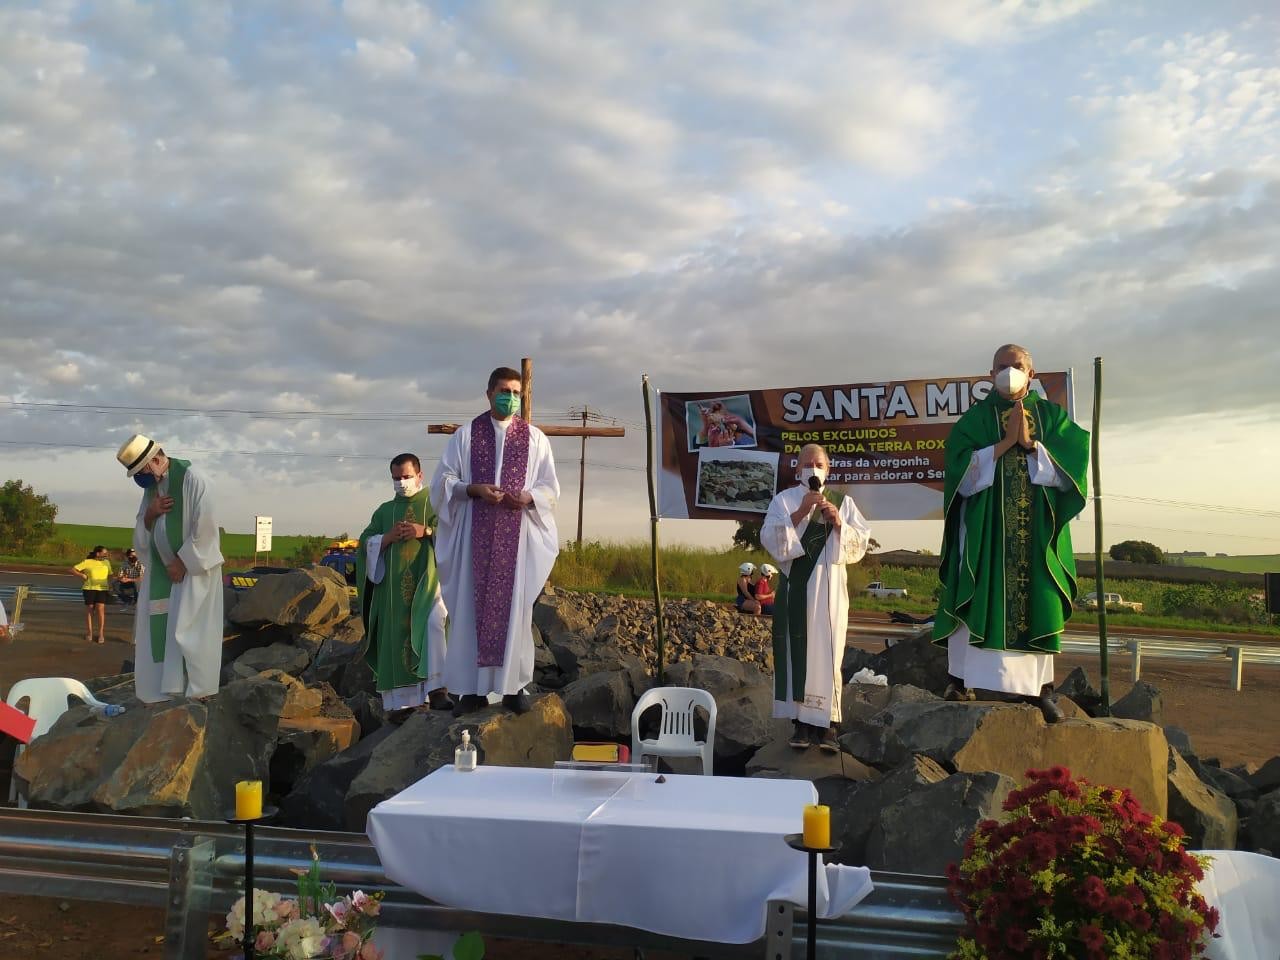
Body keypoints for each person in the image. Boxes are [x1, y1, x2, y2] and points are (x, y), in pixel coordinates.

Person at [931, 344, 1089, 724]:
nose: (1009, 372)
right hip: (986, 532)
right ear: (990, 375)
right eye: (1002, 366)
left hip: (1035, 533)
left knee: (1037, 597)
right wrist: (1002, 446)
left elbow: (1072, 472)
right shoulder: (974, 421)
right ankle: (961, 681)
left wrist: (1032, 445)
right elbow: (959, 478)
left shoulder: (1051, 417)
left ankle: (1038, 690)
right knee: (975, 586)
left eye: (1017, 365)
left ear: (1031, 374)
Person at [430, 367, 560, 716]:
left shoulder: (535, 439)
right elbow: (442, 483)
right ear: (489, 393)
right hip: (473, 537)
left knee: (515, 612)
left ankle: (513, 688)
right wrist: (473, 489)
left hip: (517, 540)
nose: (510, 397)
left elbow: (550, 487)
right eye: (504, 391)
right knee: (469, 612)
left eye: (516, 392)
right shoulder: (466, 435)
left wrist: (529, 497)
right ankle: (470, 692)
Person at [762, 444, 872, 752]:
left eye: (819, 464)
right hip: (796, 590)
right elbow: (770, 538)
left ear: (828, 469)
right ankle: (800, 725)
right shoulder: (783, 500)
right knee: (796, 651)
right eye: (808, 463)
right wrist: (800, 513)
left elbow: (860, 543)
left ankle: (828, 725)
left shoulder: (843, 503)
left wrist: (838, 523)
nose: (814, 468)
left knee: (829, 652)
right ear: (798, 469)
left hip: (830, 590)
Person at [116, 434, 224, 703]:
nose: (140, 478)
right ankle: (163, 692)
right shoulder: (151, 488)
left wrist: (183, 562)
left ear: (155, 459)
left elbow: (206, 527)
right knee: (162, 632)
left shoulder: (194, 479)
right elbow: (142, 532)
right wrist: (150, 513)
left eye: (141, 471)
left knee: (189, 631)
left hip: (192, 574)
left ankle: (197, 693)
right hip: (163, 576)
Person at [356, 453, 452, 716]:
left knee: (434, 623)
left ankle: (438, 690)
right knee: (397, 639)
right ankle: (402, 705)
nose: (401, 483)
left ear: (420, 475)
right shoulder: (385, 511)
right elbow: (364, 543)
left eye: (407, 477)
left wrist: (426, 531)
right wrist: (386, 538)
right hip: (393, 593)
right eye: (396, 478)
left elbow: (454, 534)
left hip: (430, 585)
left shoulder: (435, 503)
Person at [71, 545, 112, 644]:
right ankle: (90, 633)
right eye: (104, 553)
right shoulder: (87, 562)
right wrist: (82, 575)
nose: (106, 555)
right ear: (98, 553)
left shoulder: (107, 562)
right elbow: (72, 569)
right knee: (90, 609)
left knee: (100, 609)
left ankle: (101, 634)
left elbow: (110, 575)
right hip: (89, 588)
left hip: (102, 589)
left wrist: (111, 585)